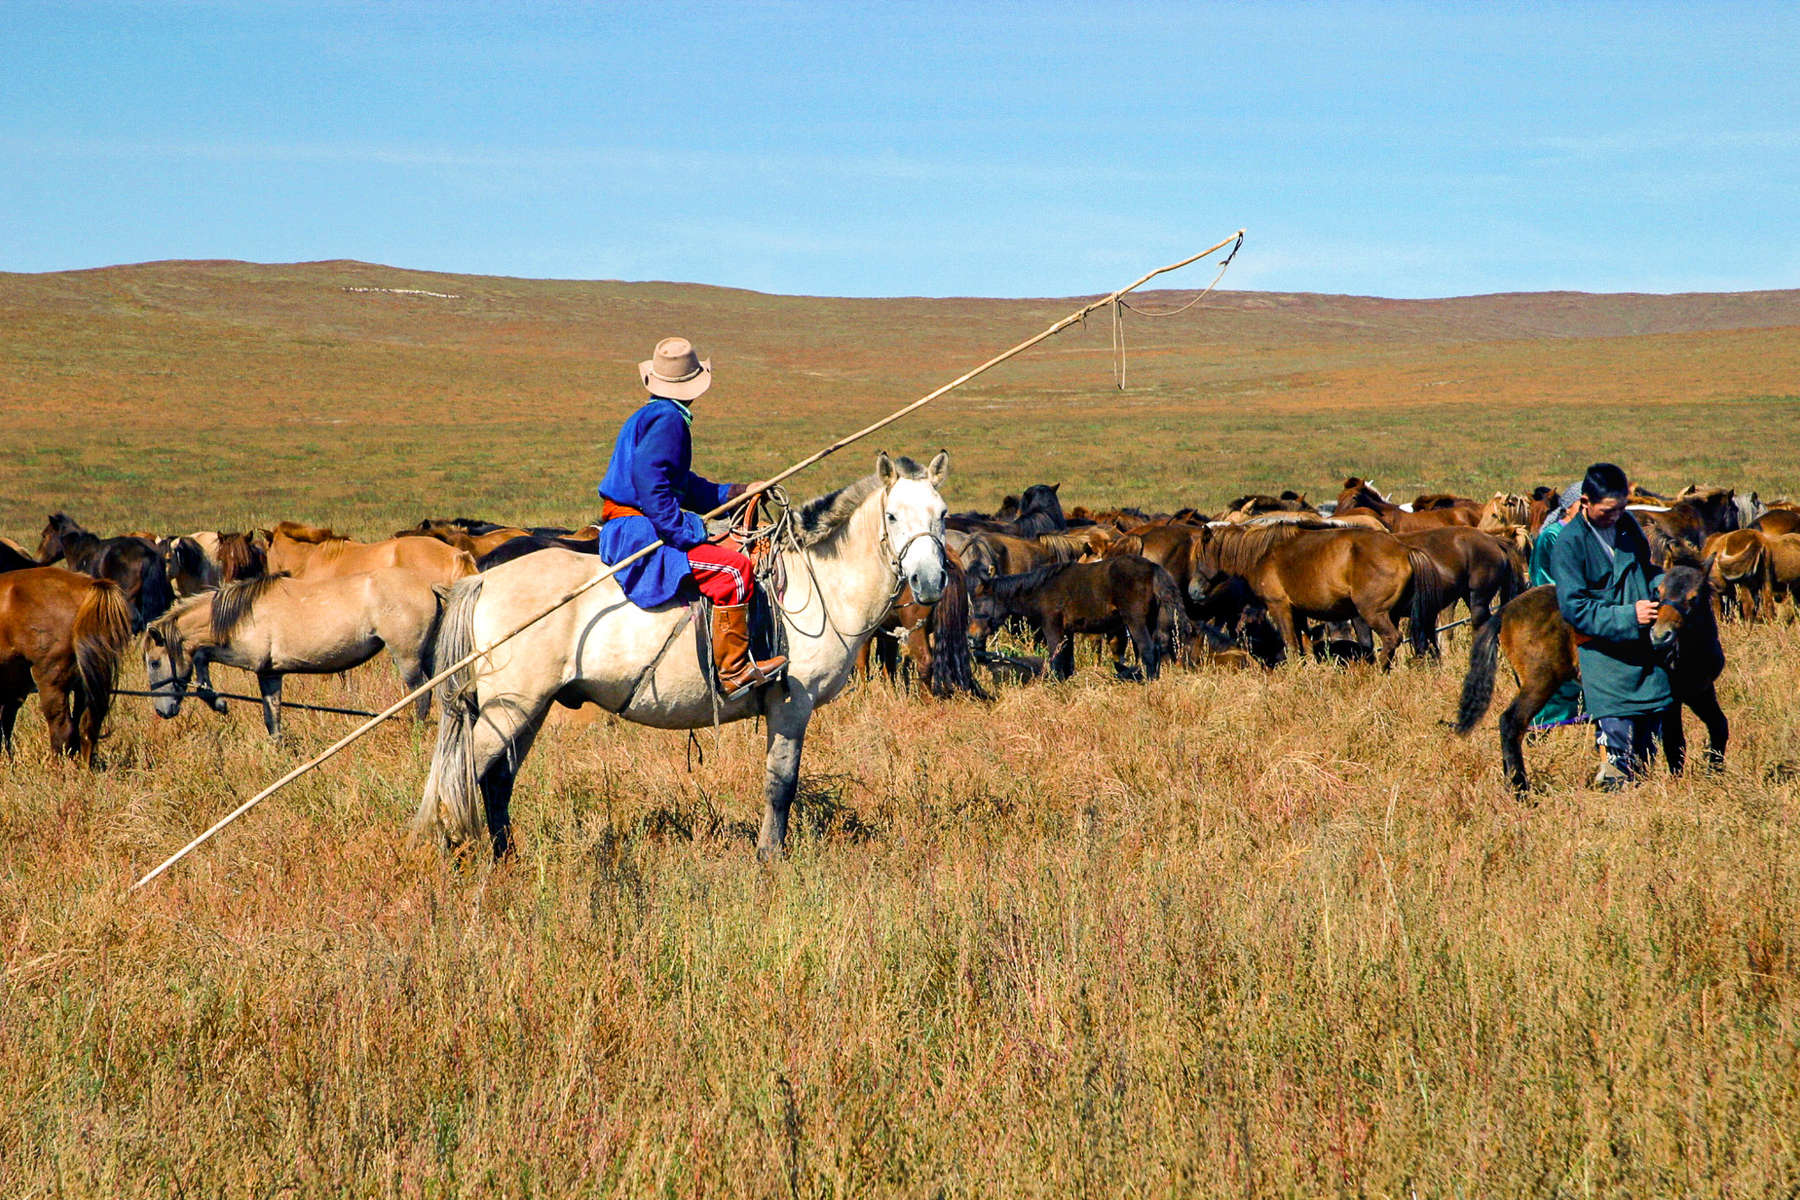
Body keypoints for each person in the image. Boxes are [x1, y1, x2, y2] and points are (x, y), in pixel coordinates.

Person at [596, 336, 786, 699]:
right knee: (734, 569)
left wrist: (738, 492)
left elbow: (682, 485)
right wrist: (686, 532)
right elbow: (651, 485)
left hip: (632, 524)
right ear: (693, 385)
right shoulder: (669, 420)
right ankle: (734, 671)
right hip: (640, 532)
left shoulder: (651, 415)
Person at [1546, 462, 1670, 789]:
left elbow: (1644, 568)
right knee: (1616, 747)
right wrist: (1629, 616)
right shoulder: (1569, 543)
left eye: (1622, 507)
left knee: (1648, 744)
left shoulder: (1627, 526)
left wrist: (1663, 583)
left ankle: (1644, 808)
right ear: (1585, 502)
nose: (1616, 515)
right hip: (1604, 657)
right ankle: (1613, 815)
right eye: (1608, 510)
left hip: (1643, 652)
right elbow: (1575, 609)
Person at [1525, 480, 1586, 730]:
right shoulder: (1551, 536)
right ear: (1568, 507)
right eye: (1581, 504)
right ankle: (1547, 726)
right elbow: (1543, 576)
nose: (1586, 510)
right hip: (1556, 610)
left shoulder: (1589, 533)